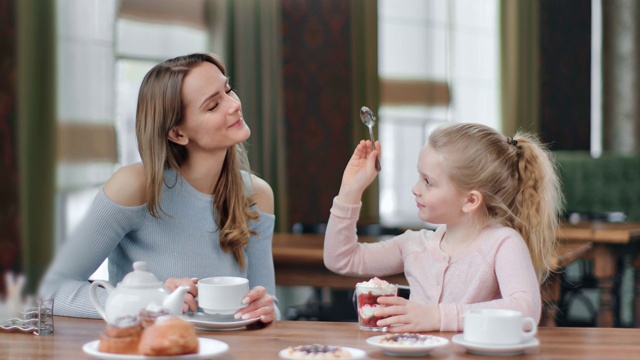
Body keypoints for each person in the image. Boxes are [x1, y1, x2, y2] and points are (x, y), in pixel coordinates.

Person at [39, 53, 278, 323]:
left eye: (228, 90)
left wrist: (266, 309)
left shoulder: (258, 195)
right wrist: (153, 300)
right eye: (213, 105)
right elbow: (50, 290)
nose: (234, 105)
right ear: (177, 133)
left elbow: (269, 305)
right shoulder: (135, 186)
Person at [323, 122, 563, 332]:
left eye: (428, 182)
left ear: (470, 201)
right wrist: (350, 190)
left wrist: (437, 317)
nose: (415, 189)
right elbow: (341, 258)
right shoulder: (413, 245)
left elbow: (526, 309)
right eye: (420, 177)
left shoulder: (503, 243)